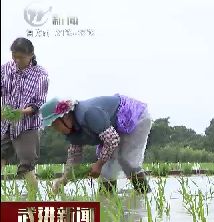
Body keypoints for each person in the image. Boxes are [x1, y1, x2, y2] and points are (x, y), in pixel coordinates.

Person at [39, 94, 152, 194]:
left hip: (134, 116)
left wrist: (98, 164)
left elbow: (112, 139)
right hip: (114, 129)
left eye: (55, 125)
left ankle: (144, 197)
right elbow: (74, 156)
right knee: (106, 171)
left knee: (127, 161)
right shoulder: (73, 130)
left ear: (66, 117)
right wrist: (64, 179)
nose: (55, 129)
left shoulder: (89, 114)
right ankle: (107, 206)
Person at [1, 37, 49, 195]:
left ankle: (32, 202)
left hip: (27, 125)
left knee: (26, 166)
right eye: (14, 56)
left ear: (31, 55)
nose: (16, 60)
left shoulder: (40, 75)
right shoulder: (5, 69)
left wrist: (19, 113)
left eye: (20, 57)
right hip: (5, 123)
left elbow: (38, 104)